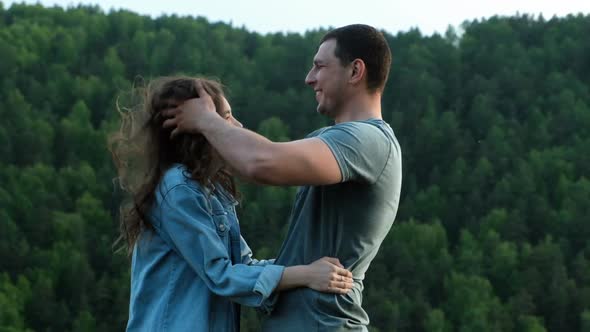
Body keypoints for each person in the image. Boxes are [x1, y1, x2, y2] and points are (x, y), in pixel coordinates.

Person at [163, 24, 402, 331]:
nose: (309, 78)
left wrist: (207, 121)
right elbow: (253, 156)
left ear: (355, 71)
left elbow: (262, 163)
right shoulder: (342, 139)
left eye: (319, 66)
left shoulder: (367, 141)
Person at [109, 76, 355, 332]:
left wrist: (309, 269)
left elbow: (242, 266)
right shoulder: (178, 188)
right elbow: (221, 274)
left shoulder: (210, 190)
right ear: (195, 129)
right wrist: (305, 275)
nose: (237, 126)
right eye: (224, 118)